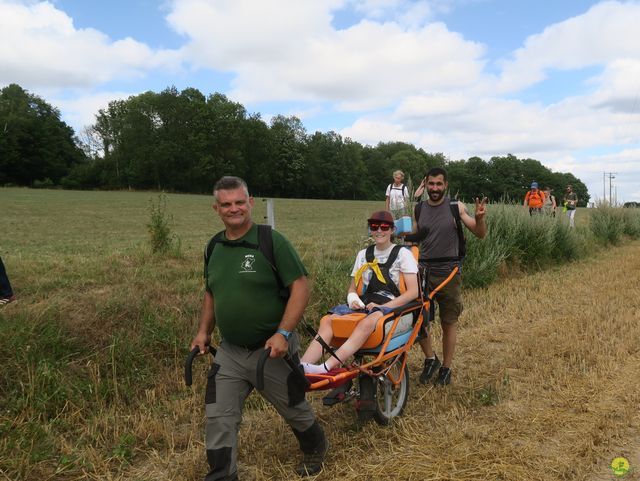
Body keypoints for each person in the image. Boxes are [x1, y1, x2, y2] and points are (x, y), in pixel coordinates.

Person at [190, 176, 328, 480]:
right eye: (226, 204)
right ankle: (222, 475)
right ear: (216, 208)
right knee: (219, 418)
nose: (234, 209)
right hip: (230, 352)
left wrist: (284, 333)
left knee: (294, 408)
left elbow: (301, 288)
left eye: (240, 202)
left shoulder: (271, 241)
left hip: (271, 351)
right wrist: (203, 332)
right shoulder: (214, 247)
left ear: (250, 203)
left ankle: (316, 447)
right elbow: (212, 292)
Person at [300, 211, 419, 375]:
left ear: (392, 230)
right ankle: (302, 367)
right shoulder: (363, 255)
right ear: (370, 229)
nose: (379, 230)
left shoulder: (403, 254)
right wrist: (353, 298)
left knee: (367, 322)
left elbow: (413, 292)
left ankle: (326, 367)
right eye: (374, 226)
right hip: (366, 304)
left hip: (394, 307)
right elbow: (352, 288)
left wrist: (382, 307)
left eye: (384, 227)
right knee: (327, 320)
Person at [409, 167, 487, 385]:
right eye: (431, 184)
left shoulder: (456, 207)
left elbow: (480, 234)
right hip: (423, 272)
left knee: (448, 322)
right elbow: (414, 240)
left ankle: (446, 368)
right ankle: (430, 358)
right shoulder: (419, 209)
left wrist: (479, 219)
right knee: (418, 320)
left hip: (449, 273)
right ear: (425, 184)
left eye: (439, 184)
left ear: (446, 185)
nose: (435, 188)